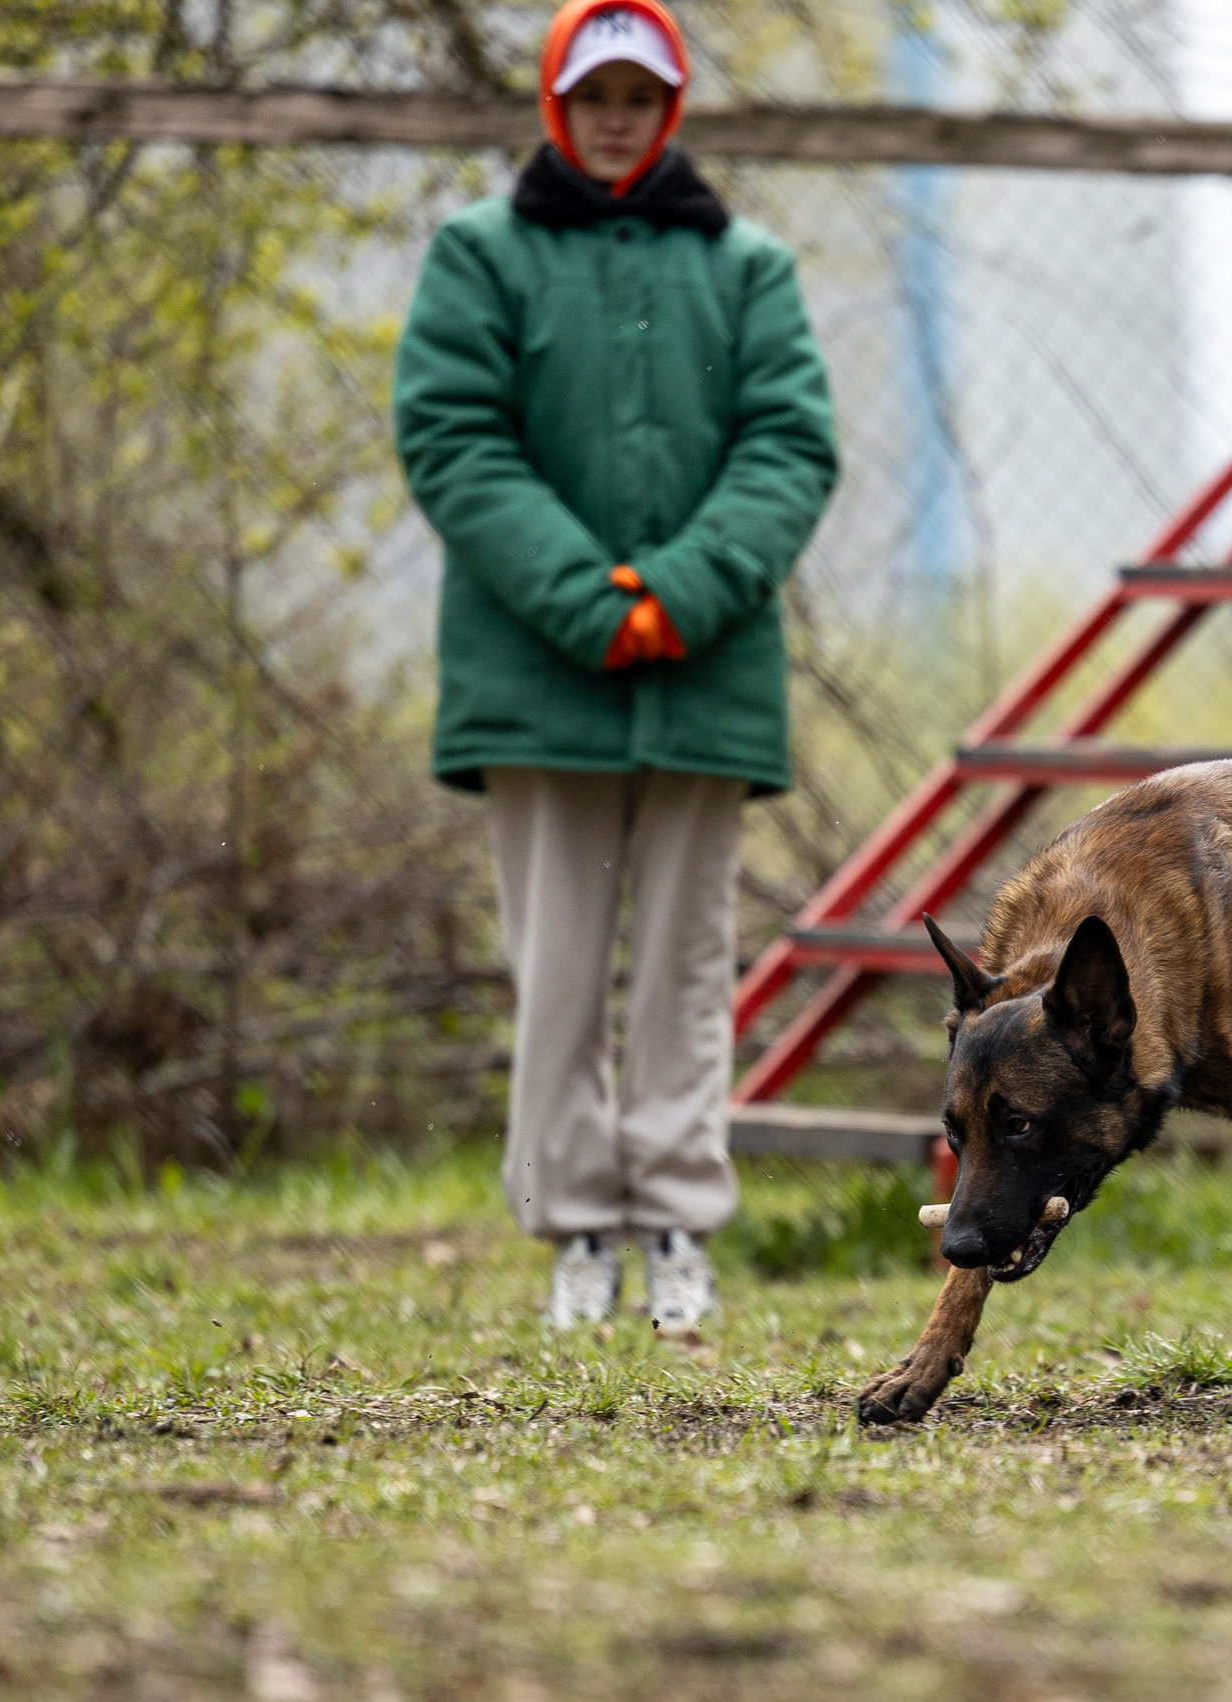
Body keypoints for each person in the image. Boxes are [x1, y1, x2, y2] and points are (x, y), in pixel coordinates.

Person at [392, 0, 837, 1336]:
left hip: (706, 678)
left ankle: (676, 1226)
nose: (617, 118)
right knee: (560, 969)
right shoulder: (480, 255)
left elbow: (789, 445)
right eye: (596, 96)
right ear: (556, 105)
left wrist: (679, 593)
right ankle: (577, 1227)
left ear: (671, 108)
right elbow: (453, 436)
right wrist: (589, 600)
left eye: (641, 96)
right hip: (538, 680)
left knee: (690, 967)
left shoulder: (748, 268)